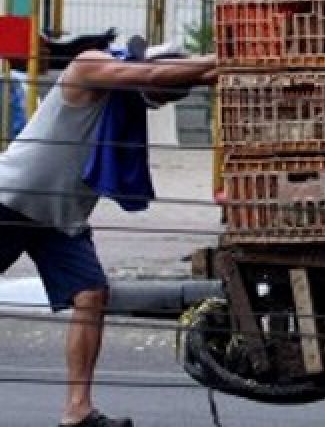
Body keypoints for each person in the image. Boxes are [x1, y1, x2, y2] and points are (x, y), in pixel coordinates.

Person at [0, 40, 217, 427]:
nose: (160, 102)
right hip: (11, 200)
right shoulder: (89, 68)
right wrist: (228, 58)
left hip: (62, 218)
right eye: (162, 94)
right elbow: (151, 75)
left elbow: (166, 79)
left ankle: (77, 410)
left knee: (91, 294)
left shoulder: (128, 102)